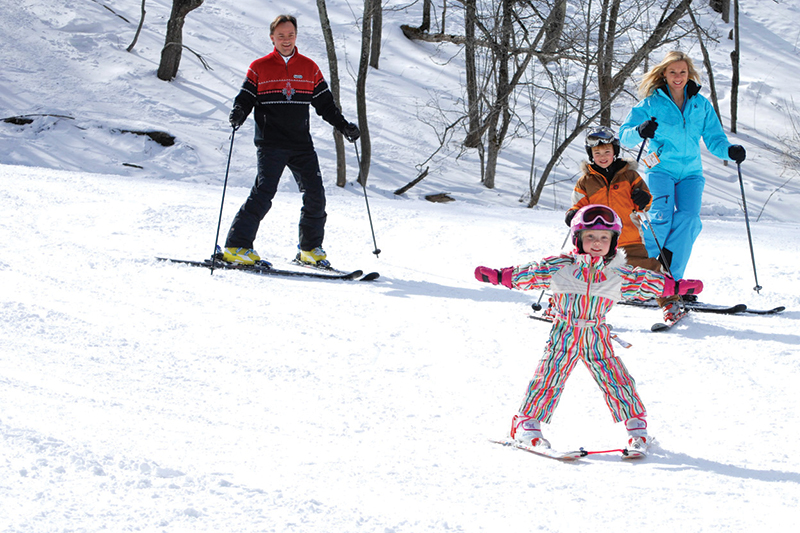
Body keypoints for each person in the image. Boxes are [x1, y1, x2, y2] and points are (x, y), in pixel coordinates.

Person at [474, 204, 704, 455]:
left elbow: (645, 282)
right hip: (564, 331)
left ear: (613, 242)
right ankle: (527, 425)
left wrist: (676, 287)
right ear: (578, 238)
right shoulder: (561, 266)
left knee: (617, 379)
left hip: (597, 334)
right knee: (549, 377)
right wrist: (499, 276)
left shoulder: (617, 273)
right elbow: (531, 273)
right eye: (590, 236)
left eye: (604, 237)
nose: (597, 242)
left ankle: (637, 429)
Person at [221, 14, 360, 268]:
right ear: (272, 37)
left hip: (301, 144)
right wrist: (238, 112)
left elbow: (325, 105)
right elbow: (245, 97)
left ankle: (309, 250)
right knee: (263, 193)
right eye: (281, 36)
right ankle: (236, 246)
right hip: (270, 143)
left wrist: (343, 126)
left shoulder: (309, 68)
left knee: (316, 194)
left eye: (291, 35)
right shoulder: (259, 67)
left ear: (296, 36)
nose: (286, 40)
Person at [619, 51, 746, 286]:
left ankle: (669, 278)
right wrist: (640, 130)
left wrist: (730, 151)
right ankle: (630, 270)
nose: (678, 76)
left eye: (683, 72)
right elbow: (624, 136)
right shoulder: (651, 102)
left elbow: (715, 139)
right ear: (664, 75)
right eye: (673, 72)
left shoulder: (700, 104)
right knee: (660, 220)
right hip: (661, 170)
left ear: (689, 74)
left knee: (689, 220)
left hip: (691, 173)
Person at [565, 126, 682, 322]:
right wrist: (573, 214)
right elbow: (578, 206)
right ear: (591, 154)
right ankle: (570, 308)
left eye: (607, 152)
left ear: (615, 152)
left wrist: (642, 198)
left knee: (649, 268)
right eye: (597, 153)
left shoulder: (630, 176)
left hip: (629, 236)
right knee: (584, 273)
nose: (603, 156)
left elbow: (646, 202)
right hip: (597, 242)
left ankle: (670, 301)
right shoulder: (585, 182)